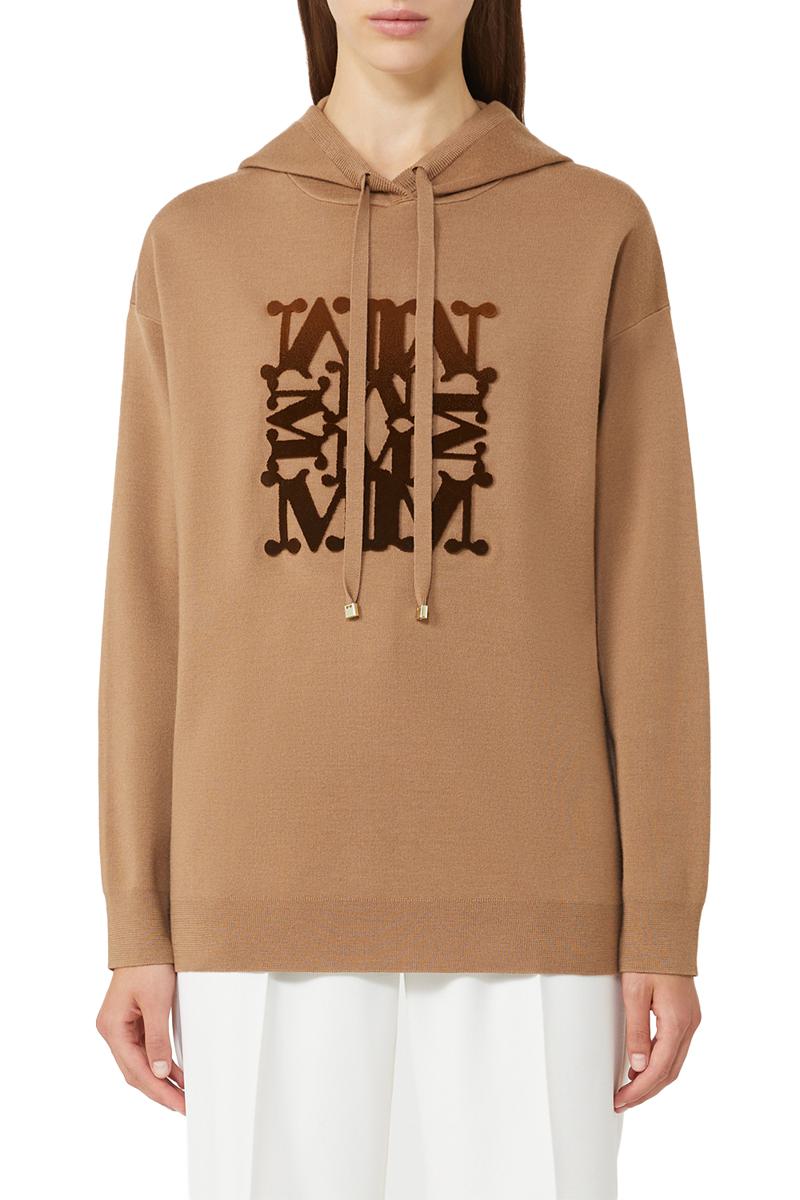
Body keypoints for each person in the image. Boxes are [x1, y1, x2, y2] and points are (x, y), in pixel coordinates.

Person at [95, 2, 709, 1197]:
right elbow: (150, 597)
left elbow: (648, 593)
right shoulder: (195, 242)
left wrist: (661, 916)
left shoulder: (595, 229)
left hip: (539, 899)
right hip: (254, 891)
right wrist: (137, 912)